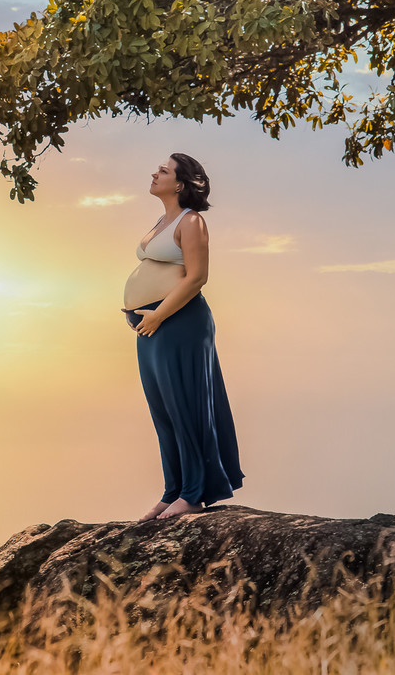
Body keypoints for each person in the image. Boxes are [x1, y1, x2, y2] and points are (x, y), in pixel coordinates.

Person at [122, 153, 244, 521]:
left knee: (185, 406)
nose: (154, 173)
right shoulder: (162, 220)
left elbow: (196, 277)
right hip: (153, 326)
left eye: (163, 170)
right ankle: (172, 490)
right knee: (163, 412)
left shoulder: (192, 222)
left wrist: (158, 314)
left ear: (180, 183)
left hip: (179, 322)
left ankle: (193, 493)